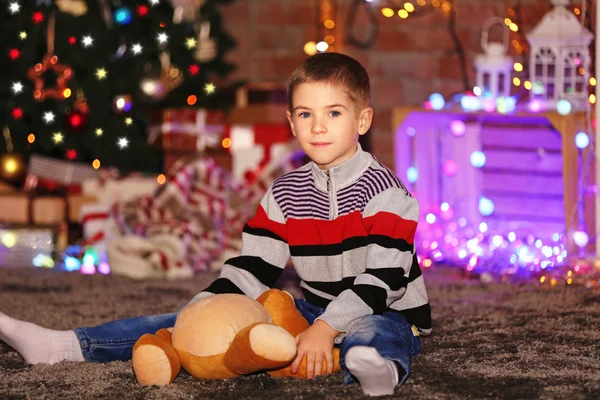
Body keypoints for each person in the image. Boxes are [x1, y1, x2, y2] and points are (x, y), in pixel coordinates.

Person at [0, 52, 431, 397]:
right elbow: (254, 267)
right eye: (305, 114)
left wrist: (327, 328)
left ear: (363, 120)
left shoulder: (386, 192)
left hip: (383, 306)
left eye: (334, 113)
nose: (317, 127)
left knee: (376, 331)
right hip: (310, 308)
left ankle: (379, 373)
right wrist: (203, 305)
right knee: (190, 317)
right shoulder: (284, 193)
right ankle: (65, 345)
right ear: (290, 121)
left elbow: (385, 278)